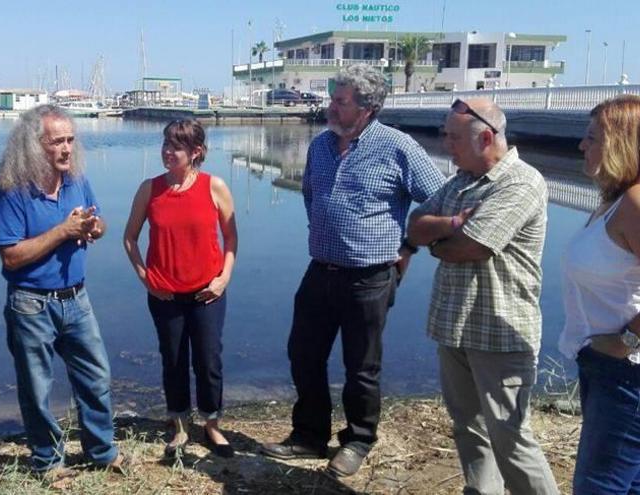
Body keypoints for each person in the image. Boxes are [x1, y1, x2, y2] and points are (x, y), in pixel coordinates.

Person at [260, 64, 445, 478]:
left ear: (367, 107)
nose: (331, 108)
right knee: (303, 353)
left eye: (340, 101)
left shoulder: (399, 147)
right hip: (320, 270)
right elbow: (310, 195)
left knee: (361, 366)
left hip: (370, 277)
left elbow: (438, 198)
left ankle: (359, 439)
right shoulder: (321, 145)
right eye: (332, 99)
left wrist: (409, 245)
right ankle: (308, 435)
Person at [406, 98, 558, 494]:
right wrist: (452, 223)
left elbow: (473, 246)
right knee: (470, 430)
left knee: (511, 438)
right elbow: (415, 225)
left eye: (453, 137)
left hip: (500, 330)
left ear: (486, 137)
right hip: (454, 325)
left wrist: (440, 244)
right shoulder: (460, 181)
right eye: (445, 135)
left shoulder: (521, 182)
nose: (445, 145)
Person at [0, 105, 123, 473]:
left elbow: (99, 224)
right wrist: (63, 231)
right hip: (31, 304)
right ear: (35, 146)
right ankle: (48, 461)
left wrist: (95, 227)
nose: (67, 149)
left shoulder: (76, 180)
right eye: (57, 142)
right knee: (36, 390)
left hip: (77, 299)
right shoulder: (12, 191)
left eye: (70, 140)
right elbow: (11, 257)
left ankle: (102, 452)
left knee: (96, 377)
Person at [123, 119, 238, 458]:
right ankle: (179, 425)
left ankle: (212, 425)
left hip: (207, 293)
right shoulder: (150, 189)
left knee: (208, 359)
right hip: (165, 295)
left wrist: (224, 277)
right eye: (165, 145)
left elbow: (231, 237)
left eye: (175, 147)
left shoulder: (213, 186)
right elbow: (129, 237)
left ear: (196, 152)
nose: (167, 152)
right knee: (173, 359)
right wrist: (146, 278)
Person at [558, 95, 640, 494]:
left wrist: (627, 340)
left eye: (592, 137)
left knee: (598, 487)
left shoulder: (636, 204)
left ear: (623, 143)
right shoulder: (614, 202)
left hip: (627, 374)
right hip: (606, 365)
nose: (581, 145)